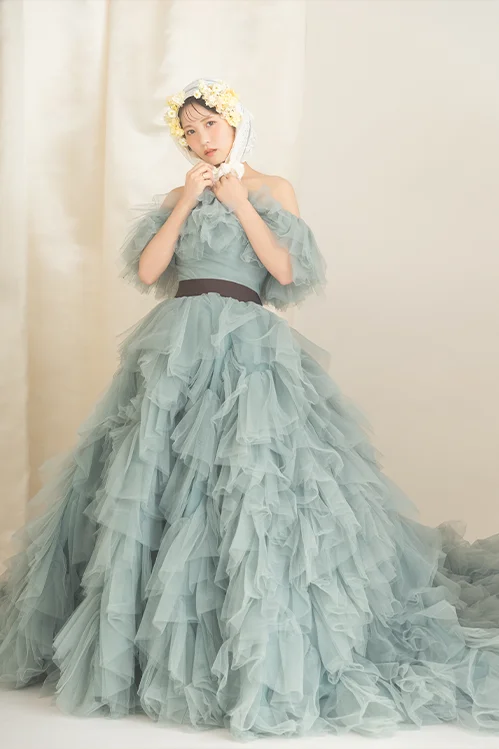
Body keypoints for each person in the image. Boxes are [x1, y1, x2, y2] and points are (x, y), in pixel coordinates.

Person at [0, 76, 498, 743]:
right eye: (189, 131)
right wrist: (185, 202)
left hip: (246, 342)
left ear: (235, 123)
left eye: (209, 124)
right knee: (155, 474)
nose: (200, 139)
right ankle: (155, 642)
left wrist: (240, 203)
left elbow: (285, 274)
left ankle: (250, 635)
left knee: (246, 477)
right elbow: (149, 272)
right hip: (177, 343)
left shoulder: (271, 188)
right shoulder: (179, 194)